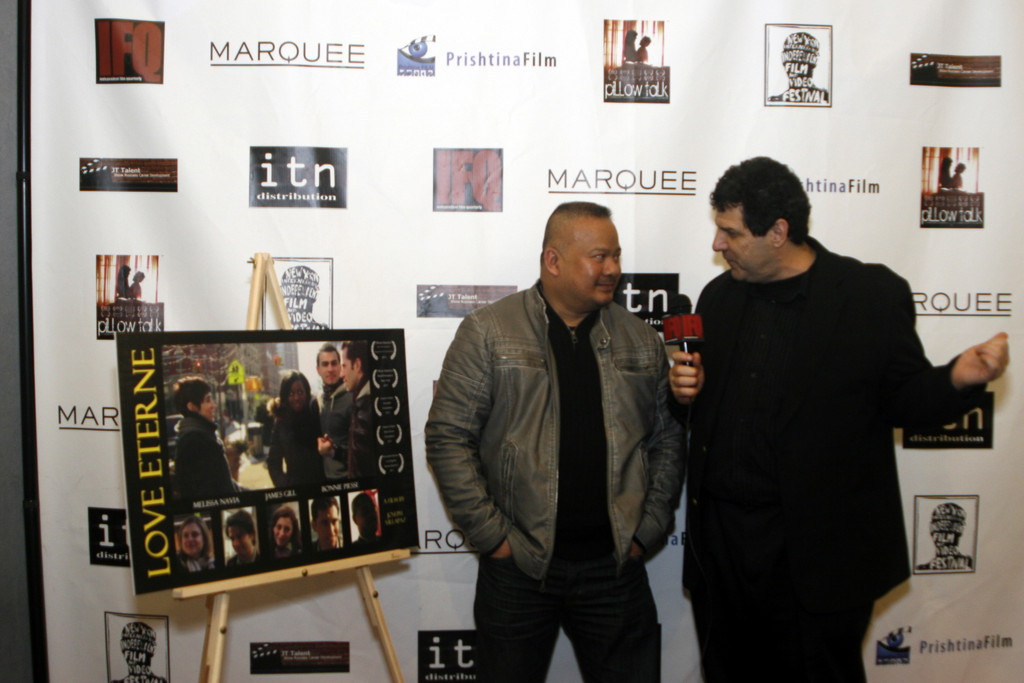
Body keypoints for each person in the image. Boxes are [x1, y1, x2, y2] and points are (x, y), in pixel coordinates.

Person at [670, 156, 1009, 681]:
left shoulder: (869, 297)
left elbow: (906, 402)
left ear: (778, 232)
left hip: (819, 557)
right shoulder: (718, 298)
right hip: (725, 551)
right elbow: (705, 414)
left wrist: (958, 378)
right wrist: (683, 394)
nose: (718, 245)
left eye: (729, 232)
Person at [426, 201, 685, 682]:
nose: (614, 270)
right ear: (553, 261)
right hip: (518, 572)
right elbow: (448, 437)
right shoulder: (488, 332)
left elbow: (667, 441)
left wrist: (645, 530)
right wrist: (495, 538)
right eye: (600, 257)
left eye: (617, 256)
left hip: (615, 572)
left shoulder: (640, 341)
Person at [172, 376, 241, 499]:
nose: (214, 405)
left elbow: (226, 483)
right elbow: (221, 491)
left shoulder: (200, 435)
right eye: (208, 400)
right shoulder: (198, 442)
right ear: (192, 407)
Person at [266, 370, 323, 487]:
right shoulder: (281, 422)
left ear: (307, 393)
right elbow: (273, 463)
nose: (296, 397)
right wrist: (286, 486)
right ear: (285, 396)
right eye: (291, 394)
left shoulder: (316, 414)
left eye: (300, 392)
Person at [312, 343, 353, 480]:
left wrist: (334, 451)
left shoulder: (351, 398)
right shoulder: (318, 400)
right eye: (325, 364)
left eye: (334, 363)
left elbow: (362, 450)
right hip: (325, 480)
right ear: (318, 369)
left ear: (340, 366)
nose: (330, 369)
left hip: (348, 478)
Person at [341, 340, 375, 478]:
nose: (341, 374)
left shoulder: (365, 409)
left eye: (344, 366)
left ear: (357, 365)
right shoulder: (362, 402)